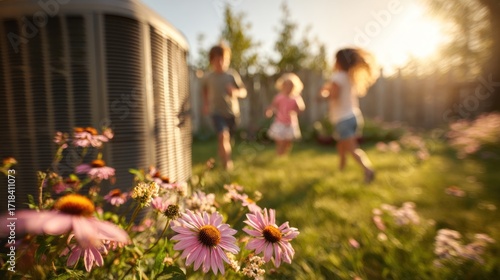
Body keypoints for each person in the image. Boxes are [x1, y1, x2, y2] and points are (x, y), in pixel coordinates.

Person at [320, 48, 377, 183]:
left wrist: (323, 94)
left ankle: (368, 170)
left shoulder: (337, 77)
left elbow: (334, 95)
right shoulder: (349, 77)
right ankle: (341, 167)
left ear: (338, 62)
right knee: (341, 144)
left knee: (352, 149)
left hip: (342, 119)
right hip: (353, 116)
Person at [202, 43, 247, 170]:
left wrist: (235, 92)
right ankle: (228, 165)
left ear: (227, 60)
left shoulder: (231, 75)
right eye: (216, 59)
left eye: (223, 59)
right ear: (211, 61)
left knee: (226, 140)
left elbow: (244, 92)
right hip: (216, 112)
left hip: (232, 113)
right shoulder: (208, 77)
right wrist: (206, 104)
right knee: (223, 136)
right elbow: (204, 90)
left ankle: (222, 157)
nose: (220, 62)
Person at [266, 73, 305, 156]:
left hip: (290, 122)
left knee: (288, 141)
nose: (288, 87)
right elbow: (273, 106)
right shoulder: (279, 97)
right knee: (280, 139)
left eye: (290, 85)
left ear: (295, 87)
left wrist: (298, 108)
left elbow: (301, 108)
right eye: (286, 85)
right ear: (282, 86)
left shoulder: (296, 98)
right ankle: (279, 153)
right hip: (279, 121)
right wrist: (269, 111)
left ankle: (284, 154)